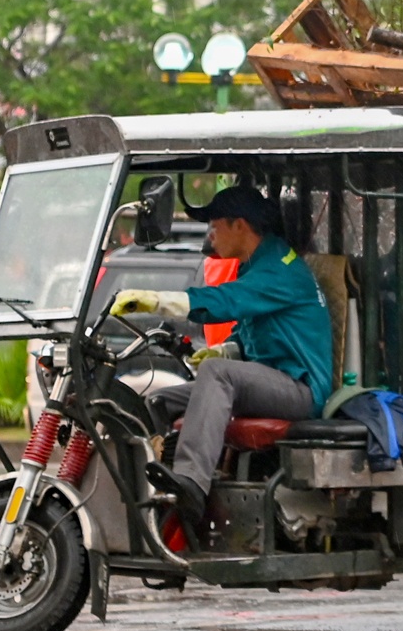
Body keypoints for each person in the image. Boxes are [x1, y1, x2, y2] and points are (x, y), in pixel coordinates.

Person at [109, 186, 334, 525]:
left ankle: (191, 484)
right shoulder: (256, 264)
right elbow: (253, 332)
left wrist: (158, 302)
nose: (210, 236)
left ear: (239, 225)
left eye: (215, 226)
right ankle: (157, 491)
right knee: (159, 402)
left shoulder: (279, 269)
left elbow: (225, 301)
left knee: (217, 373)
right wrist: (225, 348)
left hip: (300, 391)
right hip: (269, 381)